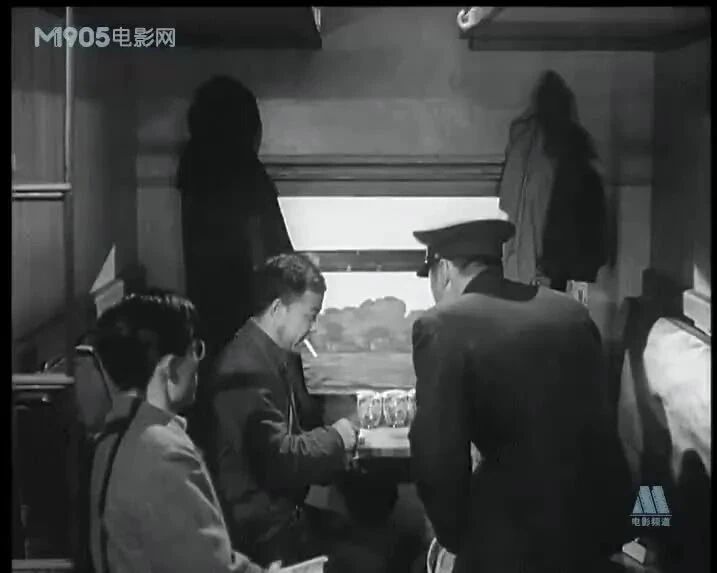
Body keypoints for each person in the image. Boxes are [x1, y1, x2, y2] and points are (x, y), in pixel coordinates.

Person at [408, 215, 633, 573]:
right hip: (595, 526)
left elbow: (437, 454)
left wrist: (455, 537)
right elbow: (603, 425)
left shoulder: (442, 324)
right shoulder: (571, 312)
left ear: (444, 269)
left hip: (514, 539)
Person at [88, 291, 274, 573]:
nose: (199, 362)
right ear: (170, 368)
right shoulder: (162, 451)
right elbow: (208, 567)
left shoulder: (109, 439)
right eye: (195, 349)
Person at [209, 253, 366, 570]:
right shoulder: (244, 369)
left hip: (282, 517)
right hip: (263, 533)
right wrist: (339, 437)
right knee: (374, 554)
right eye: (310, 315)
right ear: (278, 309)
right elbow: (279, 458)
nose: (313, 327)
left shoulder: (270, 356)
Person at [176, 75, 294, 454]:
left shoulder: (191, 172)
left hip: (203, 331)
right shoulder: (248, 177)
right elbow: (278, 263)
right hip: (246, 330)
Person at [498, 69, 608, 291]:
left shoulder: (527, 153)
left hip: (541, 268)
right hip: (564, 272)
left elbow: (512, 210)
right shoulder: (580, 162)